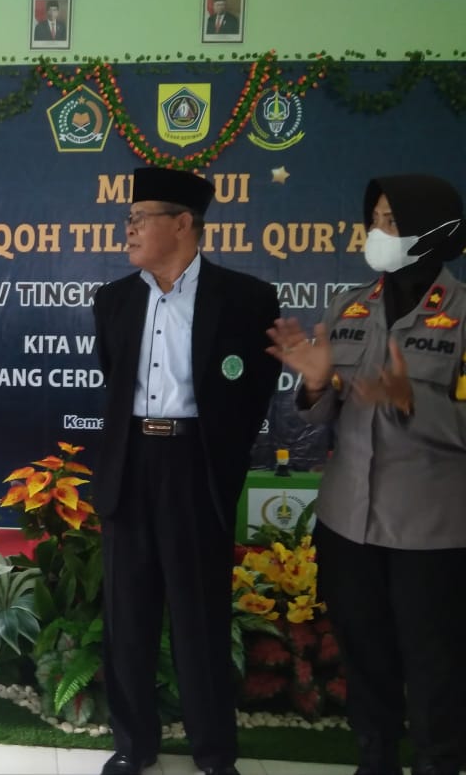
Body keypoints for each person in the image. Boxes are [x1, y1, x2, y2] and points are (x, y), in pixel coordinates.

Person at [268, 175, 466, 775]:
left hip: (429, 531)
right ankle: (374, 760)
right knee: (364, 654)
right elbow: (319, 419)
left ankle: (438, 763)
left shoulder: (462, 315)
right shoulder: (350, 305)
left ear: (431, 230)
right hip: (348, 521)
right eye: (375, 218)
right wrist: (314, 383)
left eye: (391, 220)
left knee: (434, 664)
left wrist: (411, 401)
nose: (378, 232)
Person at [92, 168, 280, 775]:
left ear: (183, 224)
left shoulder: (246, 299)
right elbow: (113, 380)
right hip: (131, 464)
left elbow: (253, 395)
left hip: (194, 465)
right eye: (128, 219)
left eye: (140, 218)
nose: (129, 229)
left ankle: (213, 752)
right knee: (128, 617)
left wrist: (219, 466)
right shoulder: (114, 300)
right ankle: (133, 744)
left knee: (200, 615)